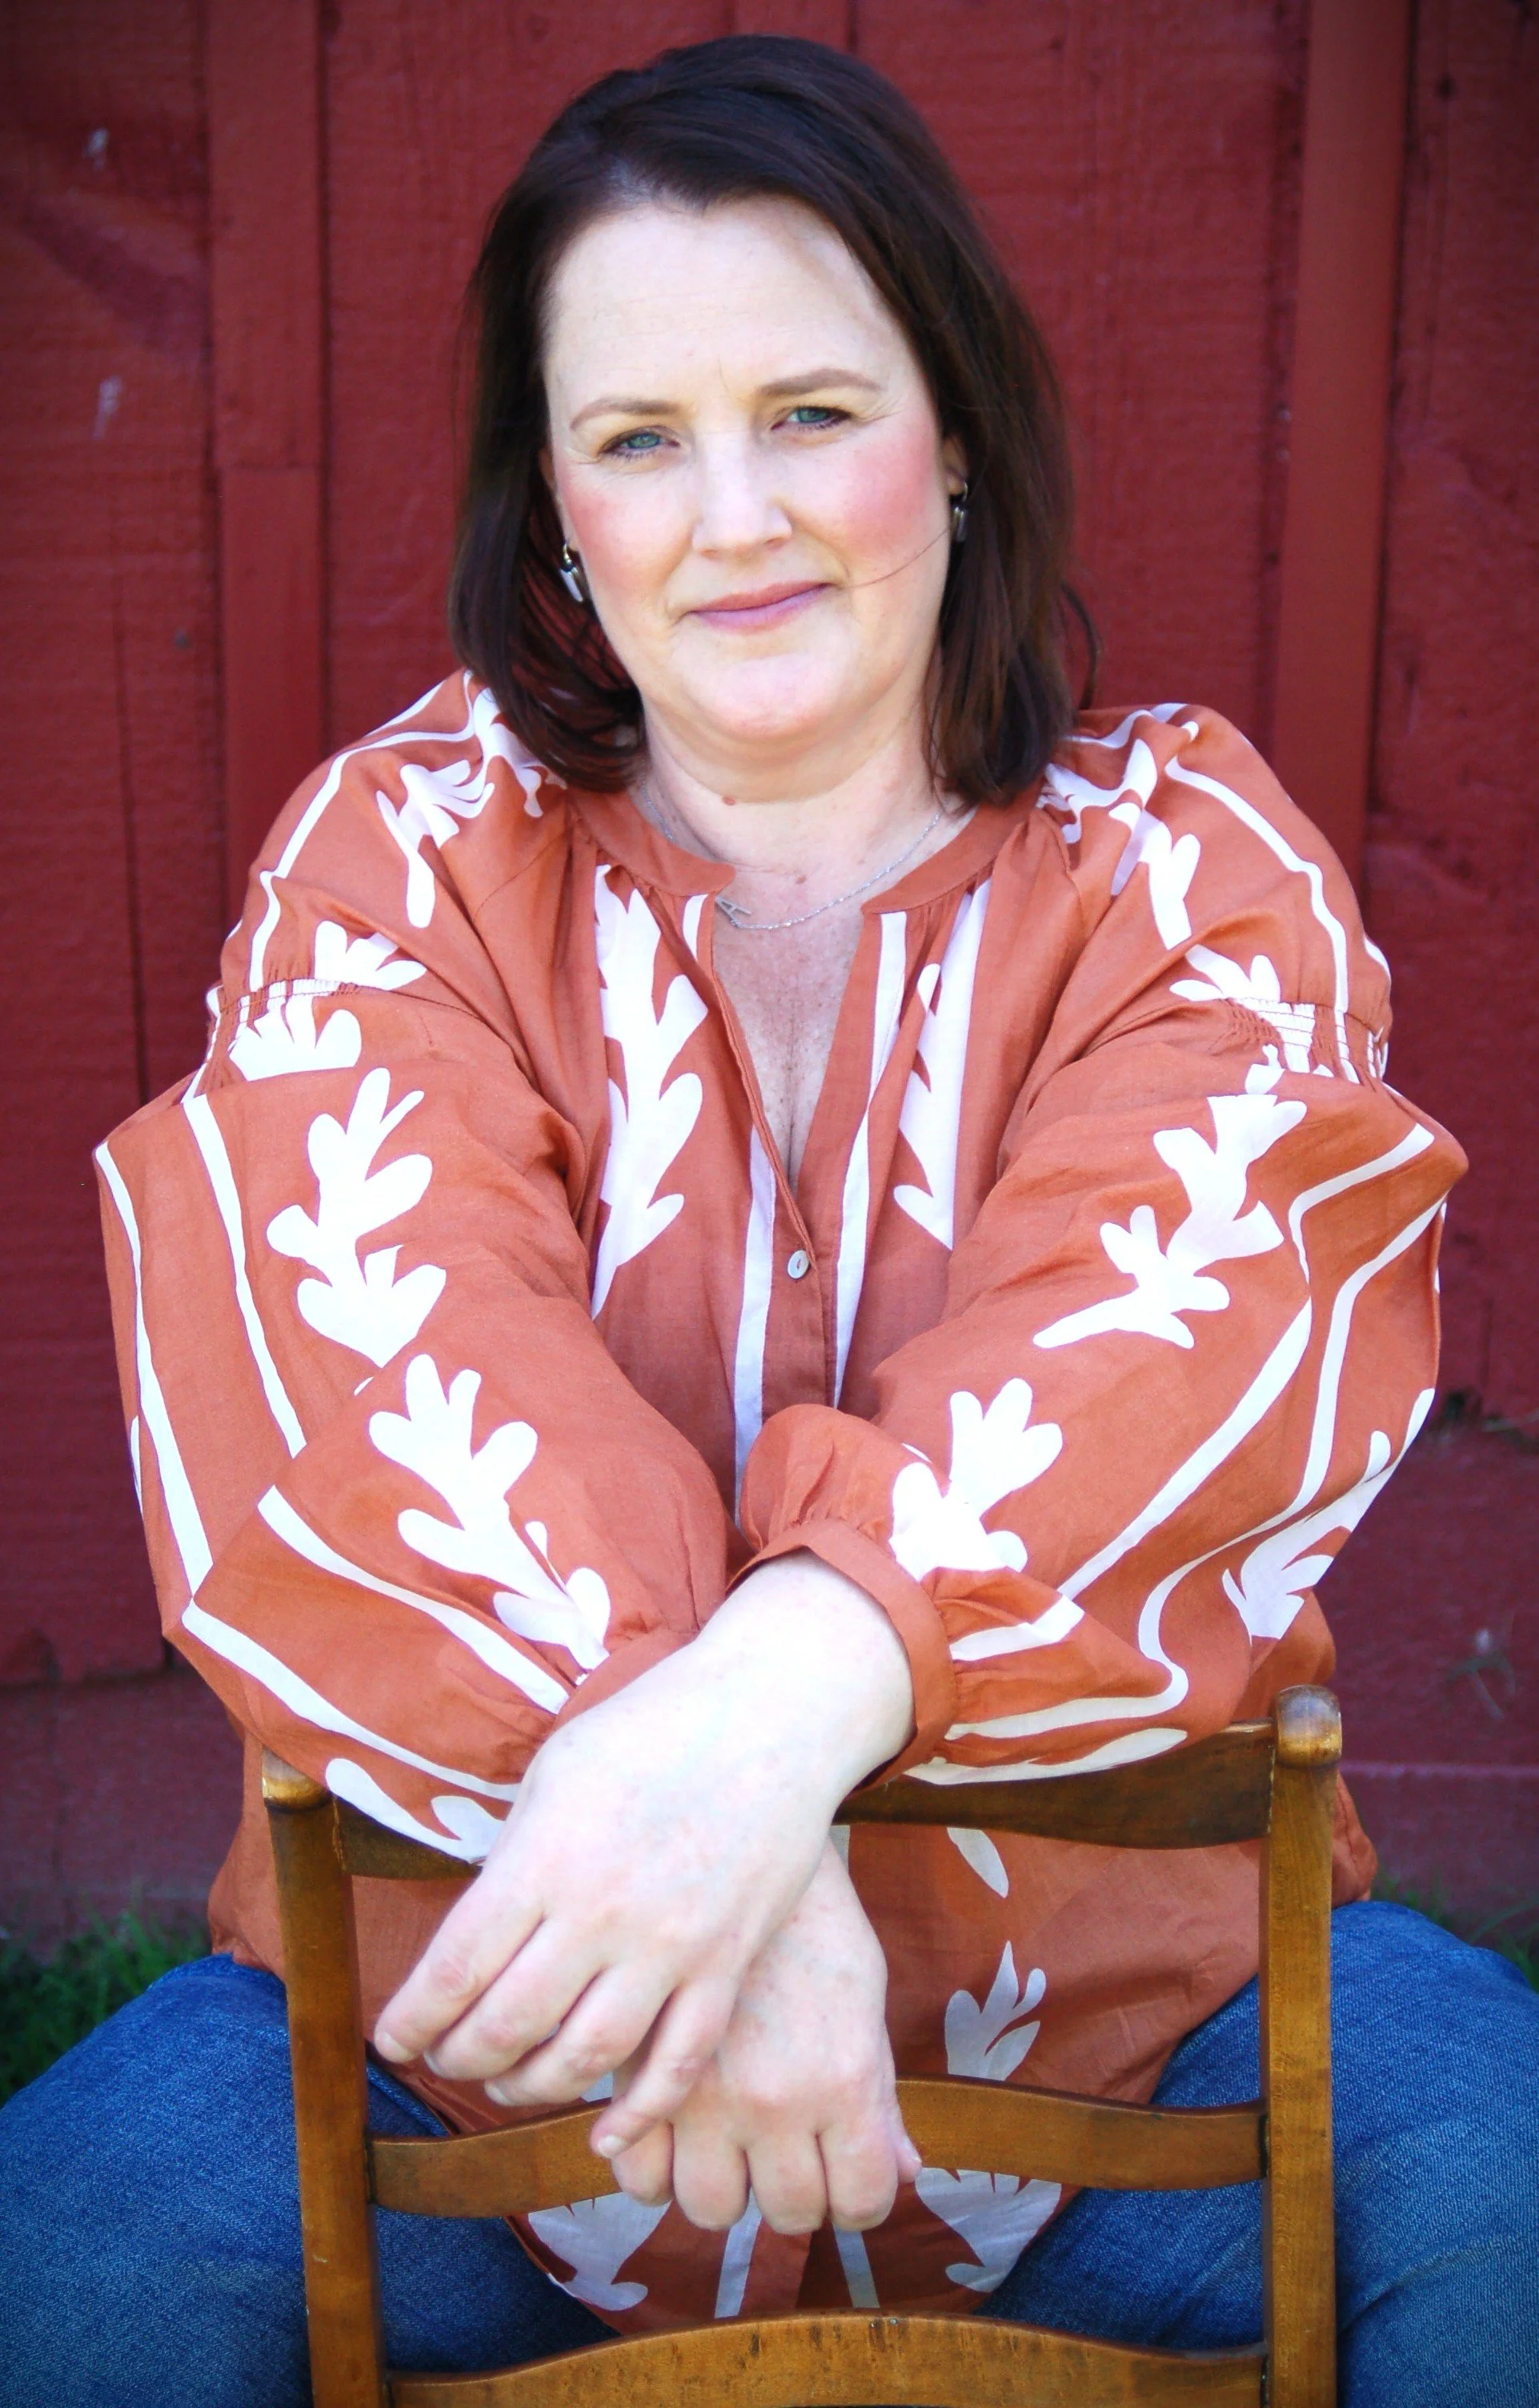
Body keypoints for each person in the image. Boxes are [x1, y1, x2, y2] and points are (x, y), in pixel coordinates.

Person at [2, 34, 1534, 2408]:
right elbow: (357, 1374)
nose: (734, 518)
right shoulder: (398, 863)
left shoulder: (1190, 877)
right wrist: (744, 1881)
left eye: (813, 409)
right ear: (557, 513)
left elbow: (1195, 1338)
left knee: (1502, 2189)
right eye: (638, 439)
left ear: (963, 437)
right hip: (469, 2081)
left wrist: (762, 1737)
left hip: (1153, 2078)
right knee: (73, 2258)